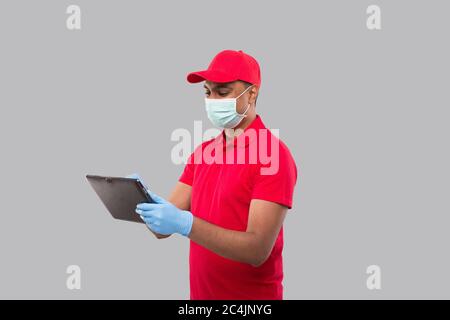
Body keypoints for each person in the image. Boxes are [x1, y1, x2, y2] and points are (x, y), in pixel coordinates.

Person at [132, 49, 298, 299]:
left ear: (252, 93)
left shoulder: (273, 156)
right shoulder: (203, 153)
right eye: (208, 93)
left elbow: (256, 250)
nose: (213, 101)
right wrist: (145, 203)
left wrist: (185, 223)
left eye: (223, 92)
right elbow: (162, 230)